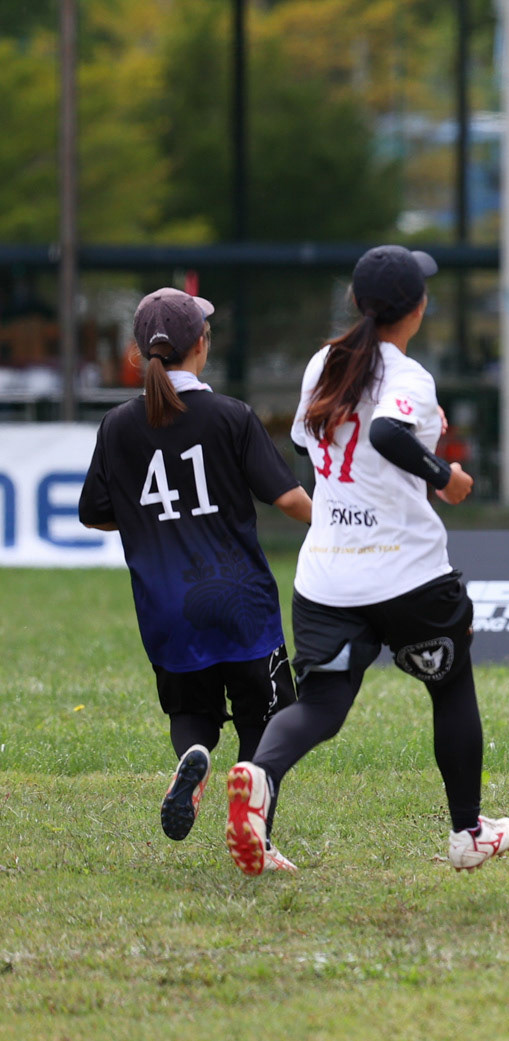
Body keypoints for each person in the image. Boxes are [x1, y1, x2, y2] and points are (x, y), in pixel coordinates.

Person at [223, 246, 509, 876]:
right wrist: (444, 476)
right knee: (450, 686)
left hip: (329, 576)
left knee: (321, 705)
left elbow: (308, 445)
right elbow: (384, 433)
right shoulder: (409, 377)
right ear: (417, 308)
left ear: (357, 303)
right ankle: (469, 832)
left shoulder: (322, 365)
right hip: (408, 575)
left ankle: (260, 774)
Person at [78, 288, 312, 850]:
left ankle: (194, 754)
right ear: (202, 344)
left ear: (140, 352)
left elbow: (94, 513)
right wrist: (344, 525)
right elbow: (288, 499)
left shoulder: (117, 425)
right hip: (240, 600)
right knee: (267, 715)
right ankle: (252, 829)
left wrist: (146, 521)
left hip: (166, 607)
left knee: (192, 709)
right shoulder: (232, 416)